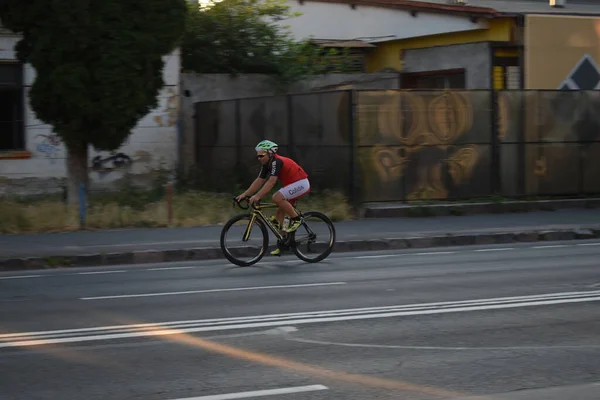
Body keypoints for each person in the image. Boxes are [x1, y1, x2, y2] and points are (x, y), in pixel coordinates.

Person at [236, 140, 310, 256]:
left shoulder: (276, 161)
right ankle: (284, 243)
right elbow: (259, 181)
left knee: (277, 197)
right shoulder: (266, 164)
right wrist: (245, 194)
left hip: (301, 183)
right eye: (258, 156)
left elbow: (271, 182)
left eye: (261, 155)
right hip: (292, 185)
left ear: (270, 153)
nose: (259, 158)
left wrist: (257, 196)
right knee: (280, 214)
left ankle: (297, 219)